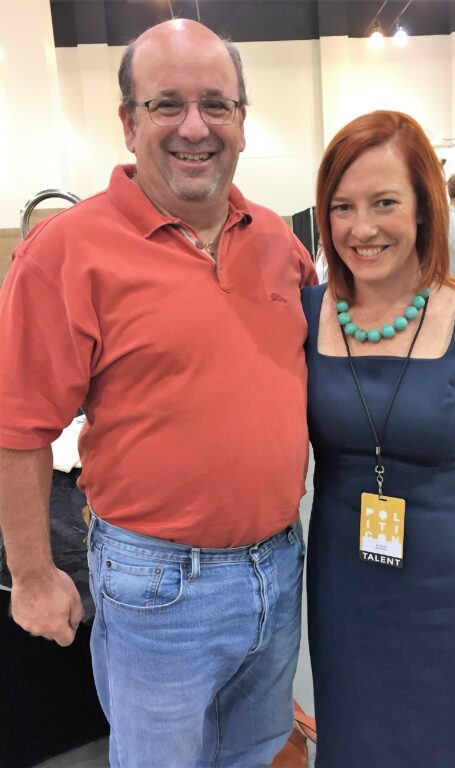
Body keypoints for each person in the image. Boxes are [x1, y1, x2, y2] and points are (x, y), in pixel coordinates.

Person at [0, 20, 316, 768]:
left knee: (258, 751)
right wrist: (34, 575)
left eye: (216, 104)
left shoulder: (278, 242)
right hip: (158, 585)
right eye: (167, 103)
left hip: (279, 565)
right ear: (128, 122)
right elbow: (18, 428)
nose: (194, 127)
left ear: (242, 120)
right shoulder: (66, 251)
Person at [302, 111, 455, 767]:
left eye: (384, 203)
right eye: (342, 207)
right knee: (358, 740)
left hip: (453, 586)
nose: (362, 228)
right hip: (345, 584)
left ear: (424, 208)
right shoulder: (306, 313)